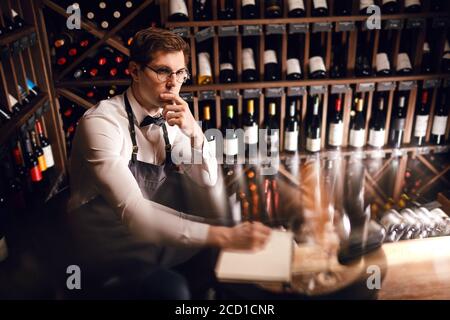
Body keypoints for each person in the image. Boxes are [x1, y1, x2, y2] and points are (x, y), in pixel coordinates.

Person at [67, 27, 271, 299]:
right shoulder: (101, 124)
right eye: (163, 71)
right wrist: (222, 235)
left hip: (150, 230)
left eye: (180, 73)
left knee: (230, 242)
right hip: (105, 243)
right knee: (174, 289)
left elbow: (206, 179)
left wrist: (195, 131)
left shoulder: (171, 116)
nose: (174, 83)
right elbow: (134, 214)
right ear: (135, 71)